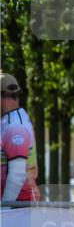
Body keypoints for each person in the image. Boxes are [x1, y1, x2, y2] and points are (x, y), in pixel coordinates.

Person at [1, 72, 40, 203]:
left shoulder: (15, 126)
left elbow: (17, 176)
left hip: (17, 208)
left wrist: (4, 210)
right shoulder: (9, 121)